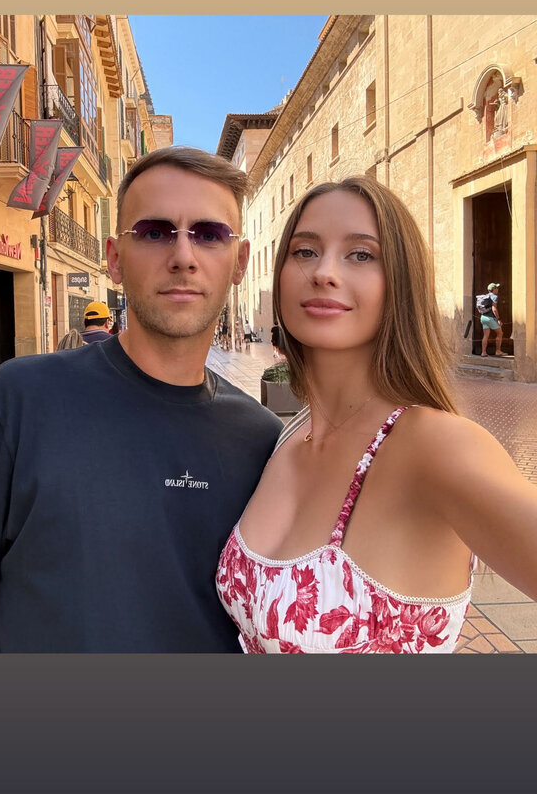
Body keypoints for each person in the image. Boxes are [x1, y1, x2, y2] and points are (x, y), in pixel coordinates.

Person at [0, 147, 281, 652]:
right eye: (155, 232)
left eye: (209, 234)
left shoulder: (264, 441)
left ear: (239, 262)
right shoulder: (20, 401)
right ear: (114, 259)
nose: (183, 256)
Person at [216, 177, 537, 654]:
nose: (324, 271)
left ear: (401, 284)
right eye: (305, 251)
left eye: (361, 254)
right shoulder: (291, 434)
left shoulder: (436, 446)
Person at [479, 282, 509, 357]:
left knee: (485, 335)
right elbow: (494, 309)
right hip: (490, 318)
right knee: (500, 333)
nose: (498, 289)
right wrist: (498, 319)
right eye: (496, 288)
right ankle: (498, 351)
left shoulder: (486, 296)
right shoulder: (494, 297)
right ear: (494, 289)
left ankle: (483, 352)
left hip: (483, 317)